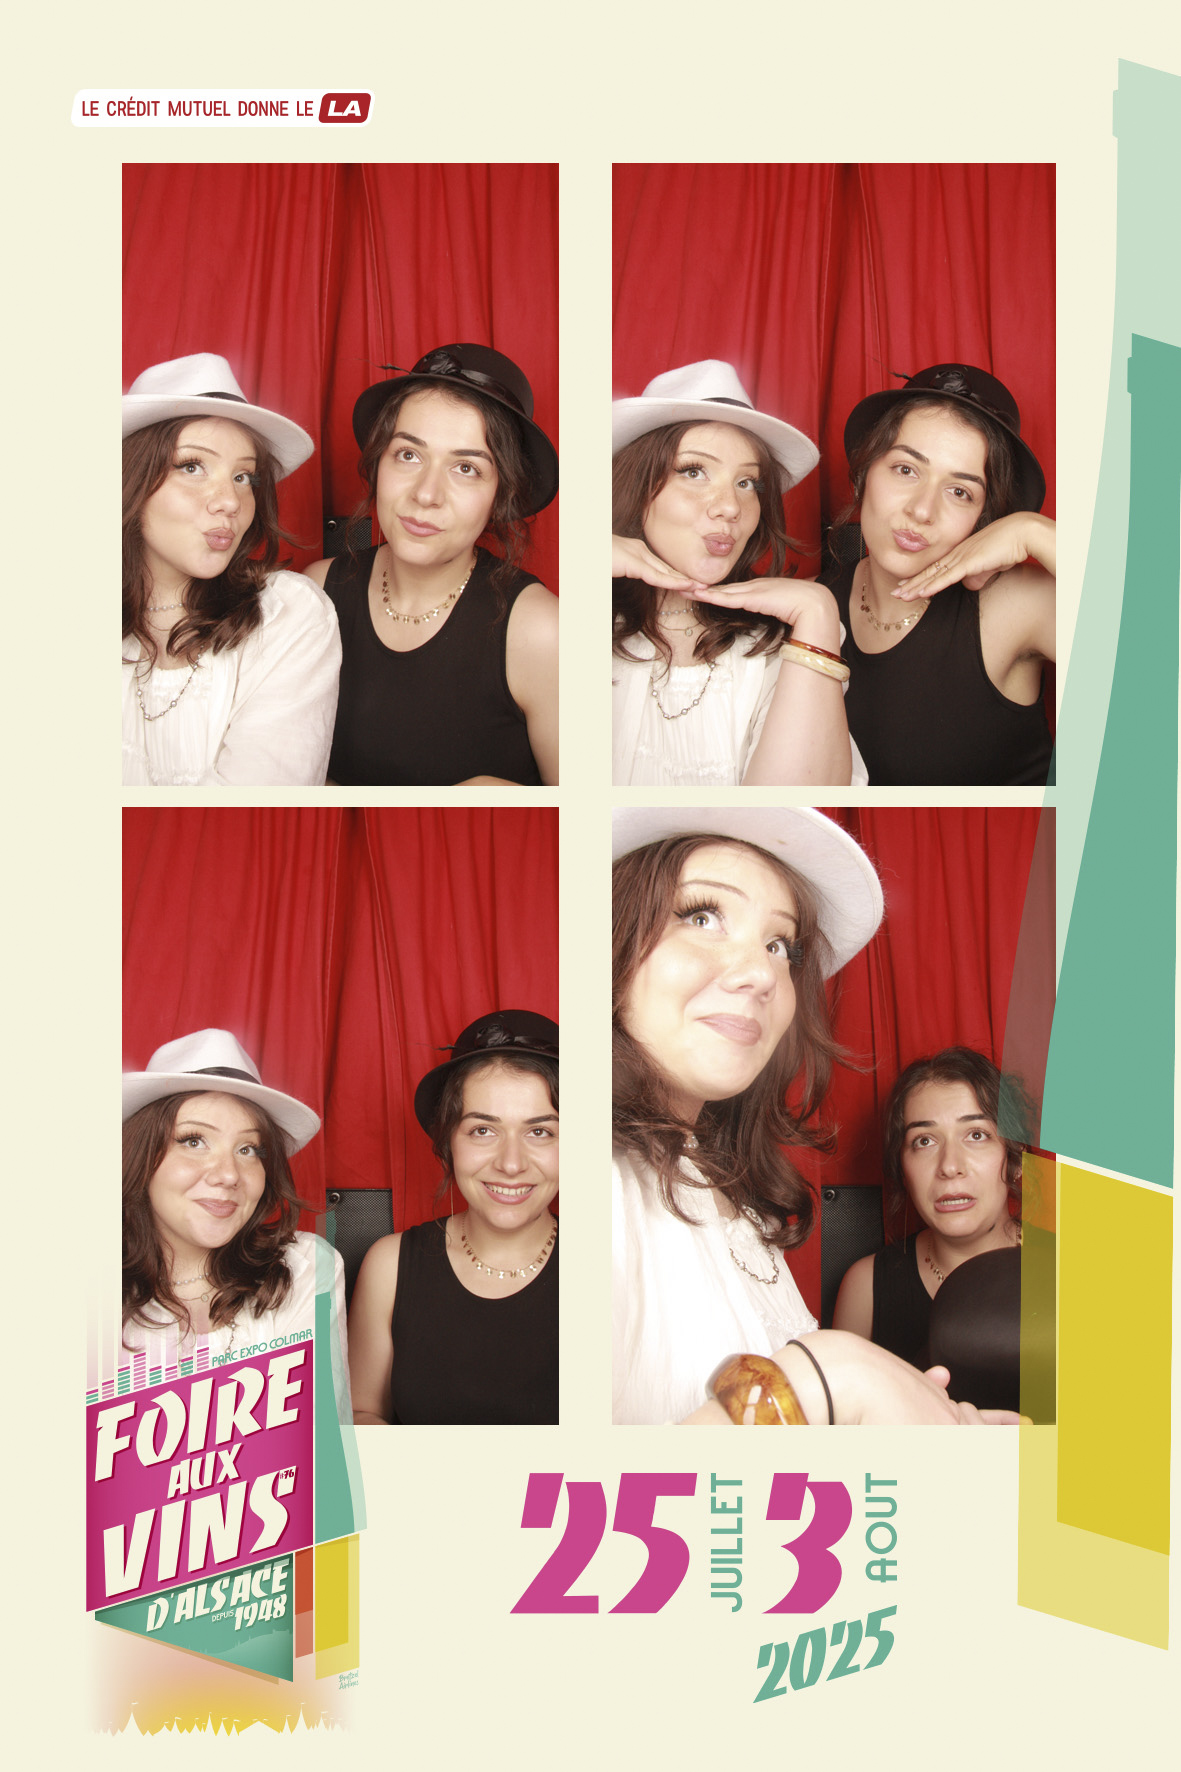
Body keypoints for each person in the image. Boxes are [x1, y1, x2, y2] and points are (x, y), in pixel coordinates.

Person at [612, 808, 1022, 1428]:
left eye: (780, 945)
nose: (762, 975)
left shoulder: (736, 1200)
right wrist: (838, 1376)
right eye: (702, 916)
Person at [305, 345, 559, 786]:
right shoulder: (317, 592)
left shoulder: (542, 631)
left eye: (466, 468)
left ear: (500, 495)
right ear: (378, 463)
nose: (426, 494)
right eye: (408, 455)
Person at [611, 361, 863, 788]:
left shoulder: (777, 648)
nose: (730, 507)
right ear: (636, 487)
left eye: (748, 483)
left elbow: (790, 810)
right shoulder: (565, 623)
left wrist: (818, 611)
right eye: (694, 471)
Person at [825, 362, 1056, 785]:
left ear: (983, 520)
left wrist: (1035, 532)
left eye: (960, 492)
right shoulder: (813, 605)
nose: (922, 510)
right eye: (906, 469)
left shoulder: (1013, 606)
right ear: (863, 475)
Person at [123, 353, 341, 786]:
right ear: (130, 478)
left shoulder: (286, 613)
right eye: (192, 466)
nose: (229, 501)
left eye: (244, 477)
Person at [122, 1028, 350, 1419]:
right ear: (140, 1155)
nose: (229, 1175)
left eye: (248, 1149)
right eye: (194, 1141)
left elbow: (321, 1438)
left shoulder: (304, 1267)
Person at [348, 1011, 559, 1425]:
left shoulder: (615, 1264)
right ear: (448, 1142)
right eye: (483, 1130)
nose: (511, 1164)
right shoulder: (389, 1265)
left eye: (540, 1132)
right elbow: (360, 1413)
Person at [832, 1047, 1025, 1373]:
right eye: (924, 1141)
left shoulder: (1072, 1270)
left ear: (1015, 1159)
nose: (949, 1166)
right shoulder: (866, 1286)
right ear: (902, 1168)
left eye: (976, 1135)